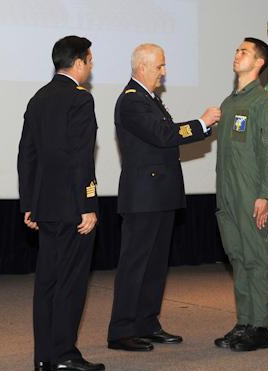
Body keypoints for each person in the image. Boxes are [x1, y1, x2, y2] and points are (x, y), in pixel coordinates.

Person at [107, 43, 221, 352]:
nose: (164, 71)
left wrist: (200, 127)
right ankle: (121, 330)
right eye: (160, 65)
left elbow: (166, 134)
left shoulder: (149, 99)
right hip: (143, 196)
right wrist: (201, 123)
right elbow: (163, 135)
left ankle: (146, 322)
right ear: (142, 67)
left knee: (156, 264)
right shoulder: (131, 101)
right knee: (135, 263)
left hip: (160, 193)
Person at [17, 36, 105, 371]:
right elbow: (81, 156)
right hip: (72, 207)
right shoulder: (80, 100)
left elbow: (26, 155)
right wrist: (88, 203)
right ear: (79, 62)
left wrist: (29, 203)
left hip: (46, 207)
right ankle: (65, 353)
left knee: (48, 281)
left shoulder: (38, 98)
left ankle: (44, 355)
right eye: (91, 61)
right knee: (71, 281)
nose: (91, 67)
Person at [213, 37, 268, 351]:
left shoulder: (263, 102)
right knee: (238, 258)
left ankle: (260, 327)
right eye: (236, 48)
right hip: (227, 194)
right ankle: (244, 322)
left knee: (256, 259)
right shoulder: (229, 104)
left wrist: (264, 195)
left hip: (251, 192)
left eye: (244, 51)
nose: (237, 53)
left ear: (259, 63)